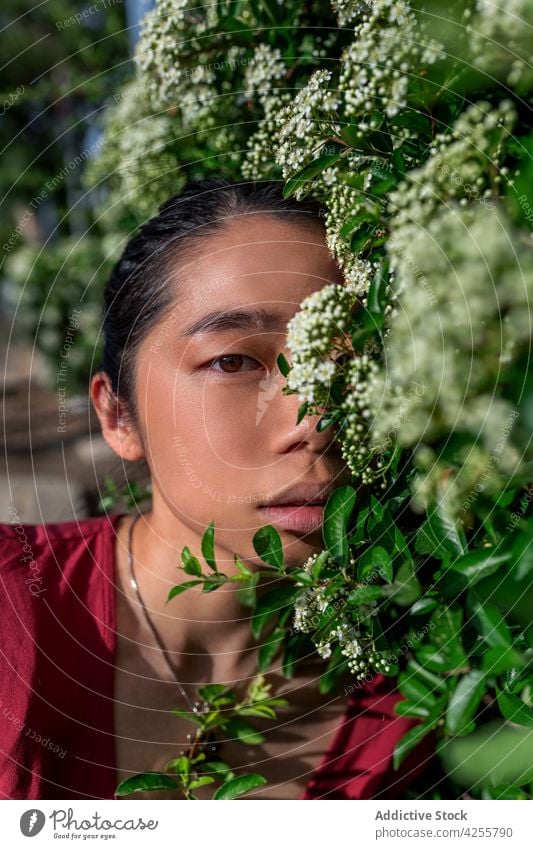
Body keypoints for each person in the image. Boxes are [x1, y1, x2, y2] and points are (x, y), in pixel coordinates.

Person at [0, 178, 433, 800]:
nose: (314, 422)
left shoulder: (427, 712)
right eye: (234, 361)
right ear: (119, 415)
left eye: (354, 363)